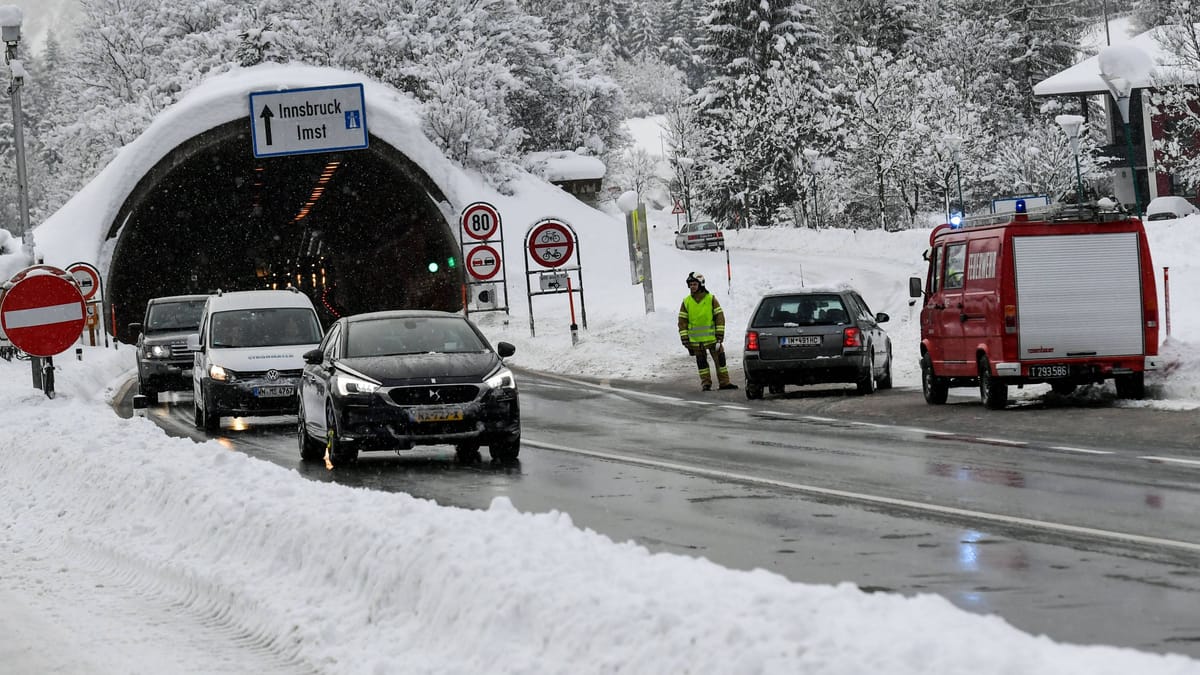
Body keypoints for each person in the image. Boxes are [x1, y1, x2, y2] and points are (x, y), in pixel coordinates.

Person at [678, 272, 738, 391]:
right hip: (696, 341)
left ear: (701, 284)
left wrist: (719, 336)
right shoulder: (686, 302)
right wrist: (685, 339)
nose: (692, 287)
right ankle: (706, 383)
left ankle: (724, 382)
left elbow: (719, 317)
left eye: (695, 284)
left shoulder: (711, 299)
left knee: (720, 360)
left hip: (712, 339)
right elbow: (682, 321)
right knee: (702, 364)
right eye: (690, 284)